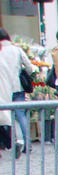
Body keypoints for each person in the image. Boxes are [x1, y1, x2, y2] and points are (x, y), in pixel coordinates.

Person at [0, 27, 36, 159]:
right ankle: (27, 143)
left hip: (3, 87)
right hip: (17, 86)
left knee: (5, 115)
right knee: (20, 115)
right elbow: (30, 67)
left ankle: (12, 142)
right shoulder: (16, 49)